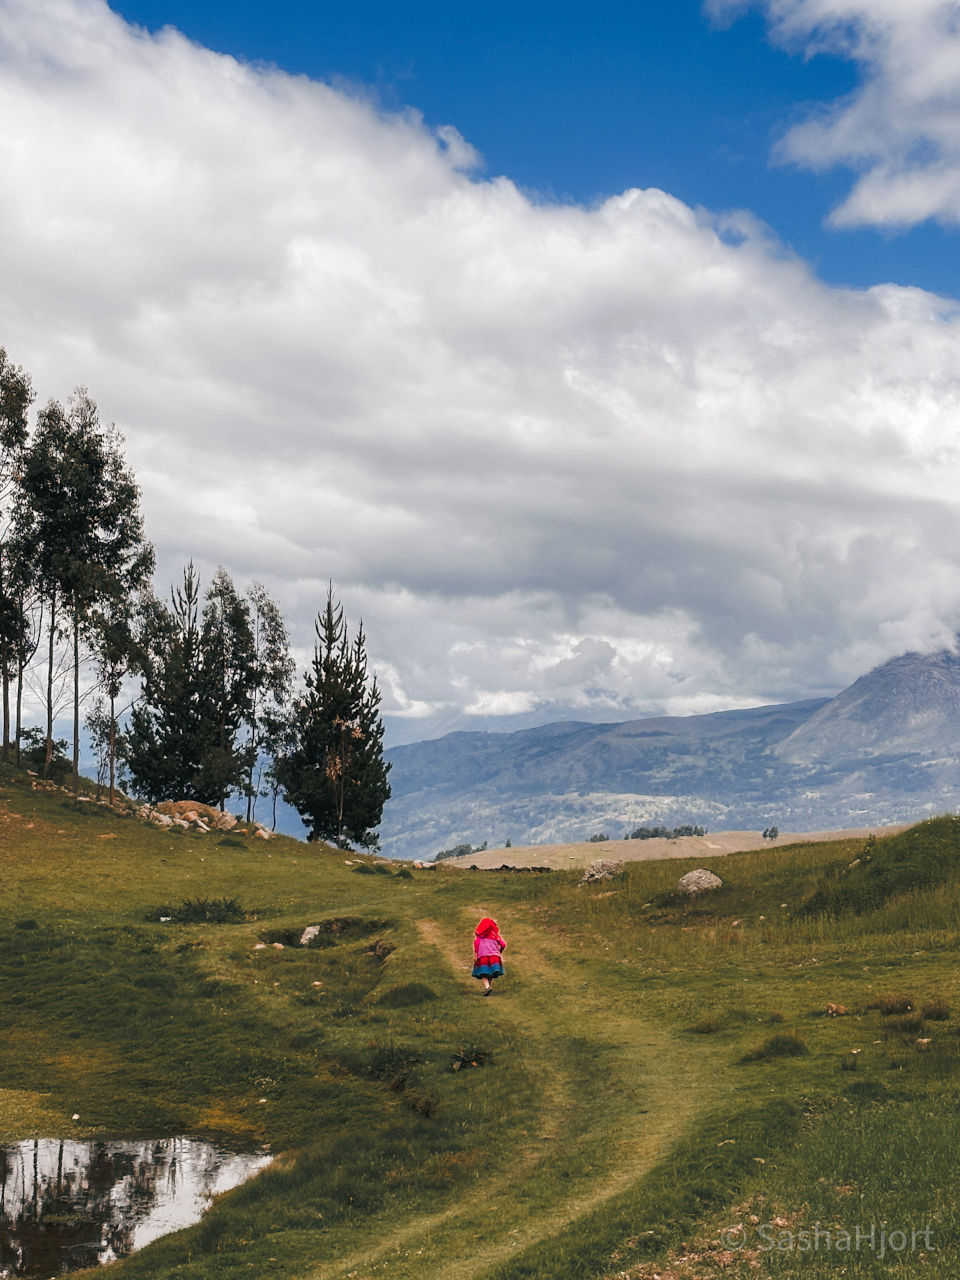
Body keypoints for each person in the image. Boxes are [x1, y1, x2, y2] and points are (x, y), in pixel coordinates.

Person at [472, 917, 506, 995]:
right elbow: (503, 944)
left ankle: (487, 987)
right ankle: (488, 987)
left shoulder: (480, 936)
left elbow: (476, 944)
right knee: (491, 973)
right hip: (495, 957)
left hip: (483, 957)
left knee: (483, 973)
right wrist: (499, 952)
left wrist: (476, 955)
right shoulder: (496, 936)